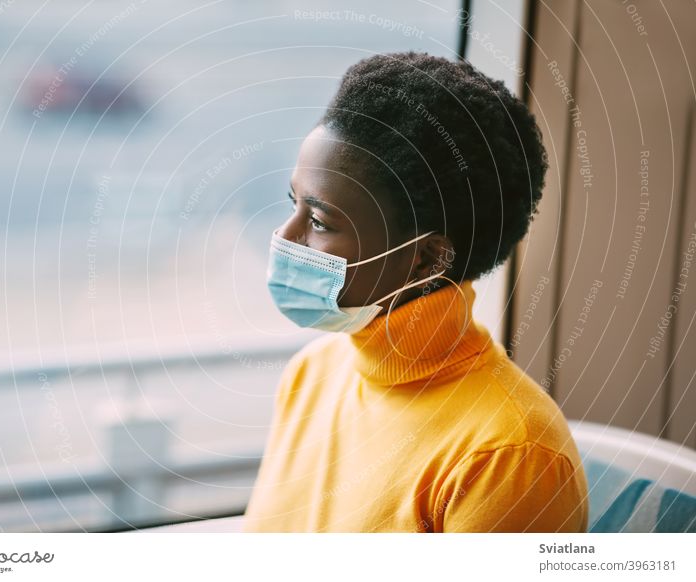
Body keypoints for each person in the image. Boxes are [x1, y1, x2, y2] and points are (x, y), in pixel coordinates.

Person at [243, 52, 589, 532]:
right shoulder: (311, 375)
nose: (285, 235)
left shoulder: (510, 455)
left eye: (319, 221)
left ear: (425, 260)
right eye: (293, 204)